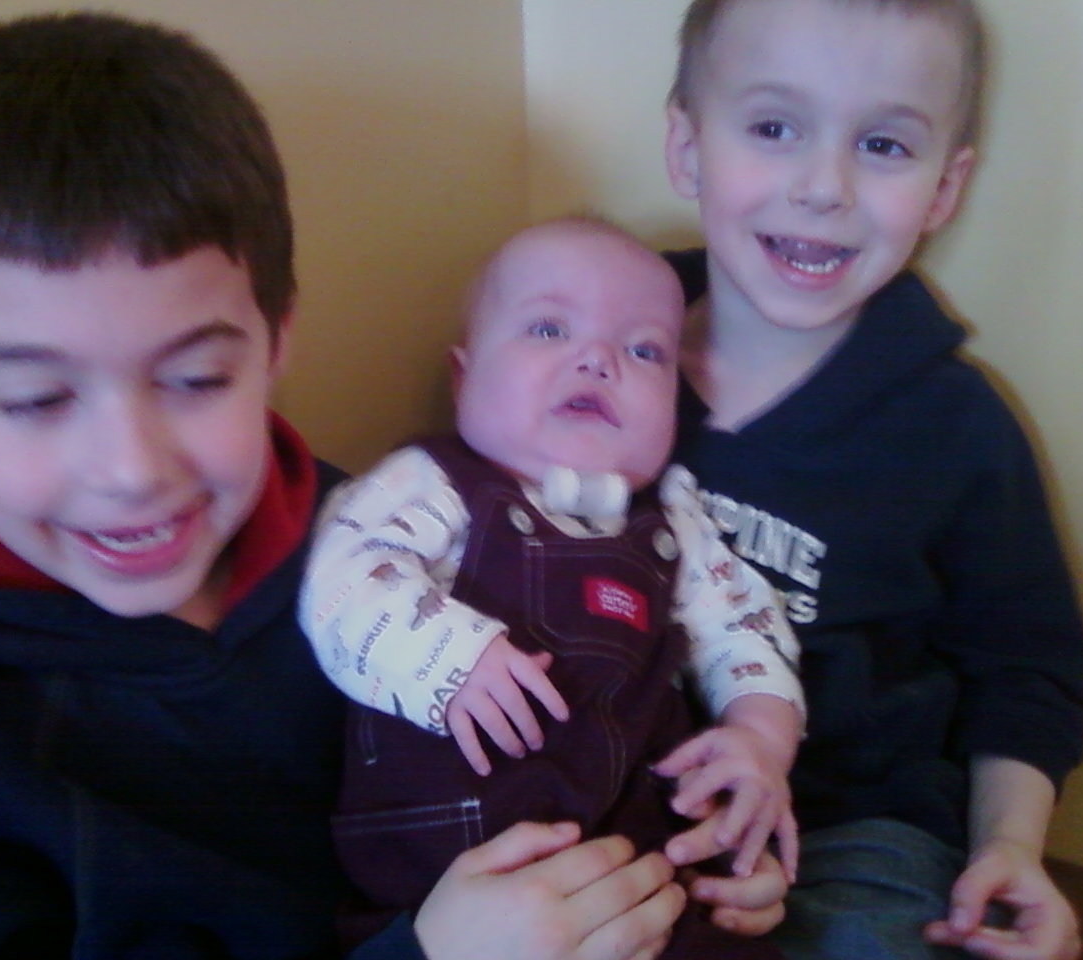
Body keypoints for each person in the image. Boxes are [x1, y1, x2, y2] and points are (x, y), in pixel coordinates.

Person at [0, 13, 714, 959]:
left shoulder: (374, 542)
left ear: (275, 342)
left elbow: (600, 720)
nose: (131, 470)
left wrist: (709, 843)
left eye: (196, 379)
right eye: (37, 399)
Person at [659, 0, 1083, 958]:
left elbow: (1025, 671)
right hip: (632, 800)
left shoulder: (957, 428)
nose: (825, 187)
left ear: (944, 188)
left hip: (850, 837)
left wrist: (1010, 848)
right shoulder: (604, 342)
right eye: (774, 128)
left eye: (885, 145)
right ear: (688, 149)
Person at [299, 217, 805, 958]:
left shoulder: (675, 522)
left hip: (646, 883)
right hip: (452, 889)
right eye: (547, 329)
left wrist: (759, 741)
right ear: (464, 377)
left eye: (643, 349)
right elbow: (340, 578)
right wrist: (450, 657)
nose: (597, 360)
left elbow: (747, 629)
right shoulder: (430, 486)